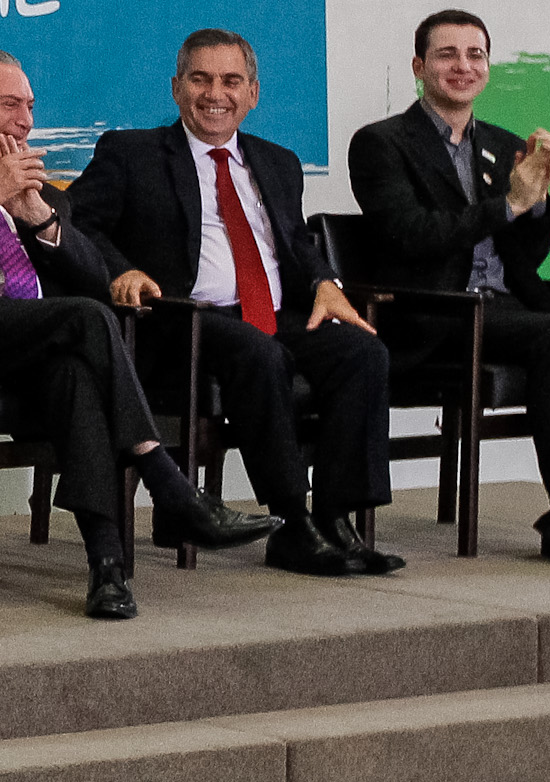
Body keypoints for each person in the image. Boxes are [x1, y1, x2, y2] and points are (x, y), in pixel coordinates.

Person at [0, 46, 279, 622]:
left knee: (76, 374)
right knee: (82, 319)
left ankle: (107, 569)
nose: (25, 120)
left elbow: (95, 279)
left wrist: (39, 219)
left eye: (29, 106)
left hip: (21, 338)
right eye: (9, 105)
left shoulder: (39, 185)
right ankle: (168, 484)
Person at [71, 29, 400, 578]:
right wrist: (121, 269)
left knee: (362, 352)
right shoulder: (131, 153)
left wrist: (324, 280)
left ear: (253, 93)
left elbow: (294, 243)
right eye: (200, 79)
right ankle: (292, 525)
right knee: (259, 353)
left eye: (230, 80)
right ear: (176, 88)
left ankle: (337, 519)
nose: (214, 93)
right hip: (183, 322)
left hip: (271, 315)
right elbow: (77, 223)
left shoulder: (277, 161)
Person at [346, 8, 550, 570]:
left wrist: (536, 205)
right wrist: (508, 204)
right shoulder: (382, 143)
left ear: (487, 66)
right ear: (418, 66)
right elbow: (413, 237)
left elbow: (523, 256)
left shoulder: (502, 144)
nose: (463, 66)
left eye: (475, 54)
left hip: (506, 307)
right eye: (447, 54)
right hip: (433, 313)